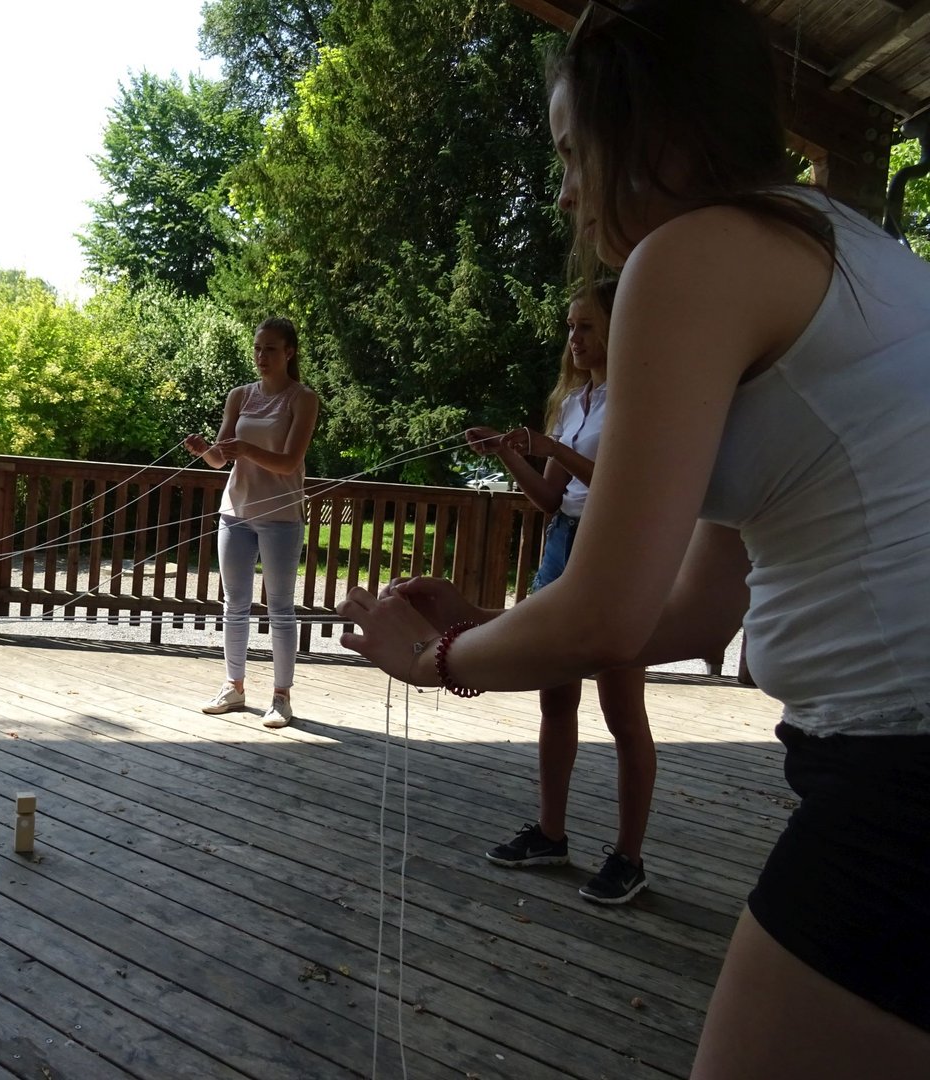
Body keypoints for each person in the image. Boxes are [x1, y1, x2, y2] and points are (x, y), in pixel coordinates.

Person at [335, 1, 930, 1076]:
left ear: (658, 137)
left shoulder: (693, 256)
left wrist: (431, 659)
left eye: (574, 155)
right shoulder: (838, 247)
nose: (565, 193)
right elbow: (697, 610)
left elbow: (605, 614)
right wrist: (503, 620)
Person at [466, 279, 656, 904]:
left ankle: (629, 857)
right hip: (563, 543)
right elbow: (550, 498)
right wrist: (509, 455)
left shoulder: (636, 397)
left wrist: (555, 450)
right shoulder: (573, 401)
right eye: (571, 327)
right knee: (556, 699)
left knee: (622, 711)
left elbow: (625, 484)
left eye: (587, 326)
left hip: (613, 546)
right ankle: (551, 834)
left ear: (617, 329)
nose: (575, 337)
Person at [184, 317, 320, 728]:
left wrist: (244, 448)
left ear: (289, 352)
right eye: (258, 348)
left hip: (281, 515)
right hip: (235, 512)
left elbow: (290, 462)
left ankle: (281, 697)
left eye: (271, 349)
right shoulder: (240, 395)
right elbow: (220, 458)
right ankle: (234, 686)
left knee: (280, 607)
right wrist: (204, 450)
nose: (262, 356)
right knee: (235, 604)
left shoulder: (303, 399)